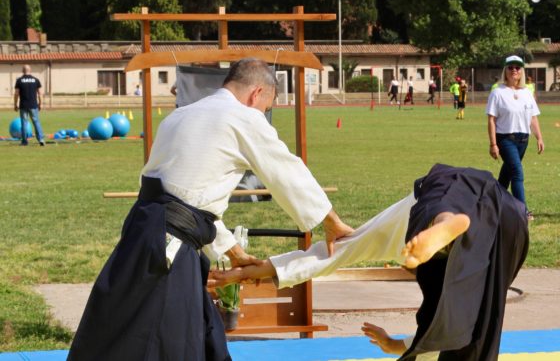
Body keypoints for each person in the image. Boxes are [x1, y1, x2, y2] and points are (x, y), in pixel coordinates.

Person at [67, 58, 353, 361]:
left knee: (180, 330)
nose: (263, 114)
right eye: (267, 107)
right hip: (168, 246)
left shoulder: (180, 116)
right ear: (257, 94)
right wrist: (330, 221)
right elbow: (285, 170)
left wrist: (233, 251)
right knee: (159, 341)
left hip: (144, 233)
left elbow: (185, 196)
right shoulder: (244, 117)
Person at [212, 164, 529, 361]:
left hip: (453, 192)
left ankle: (443, 224)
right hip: (511, 223)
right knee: (480, 325)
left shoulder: (393, 235)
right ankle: (443, 226)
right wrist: (399, 345)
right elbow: (444, 325)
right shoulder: (458, 280)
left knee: (441, 212)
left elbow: (331, 255)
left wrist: (266, 269)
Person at [486, 55, 544, 221]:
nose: (514, 70)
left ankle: (492, 204)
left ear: (522, 71)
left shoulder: (527, 93)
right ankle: (522, 211)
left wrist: (539, 137)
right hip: (505, 139)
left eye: (517, 67)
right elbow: (491, 119)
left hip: (523, 140)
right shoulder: (497, 92)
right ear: (505, 70)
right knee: (517, 174)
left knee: (506, 175)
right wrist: (493, 144)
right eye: (510, 67)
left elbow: (533, 117)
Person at [13, 64, 45, 146]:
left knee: (24, 123)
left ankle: (24, 141)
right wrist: (40, 104)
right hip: (33, 105)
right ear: (30, 71)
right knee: (36, 122)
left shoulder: (19, 80)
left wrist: (15, 104)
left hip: (23, 105)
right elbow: (40, 93)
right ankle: (41, 139)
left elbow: (16, 94)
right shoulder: (36, 80)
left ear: (22, 71)